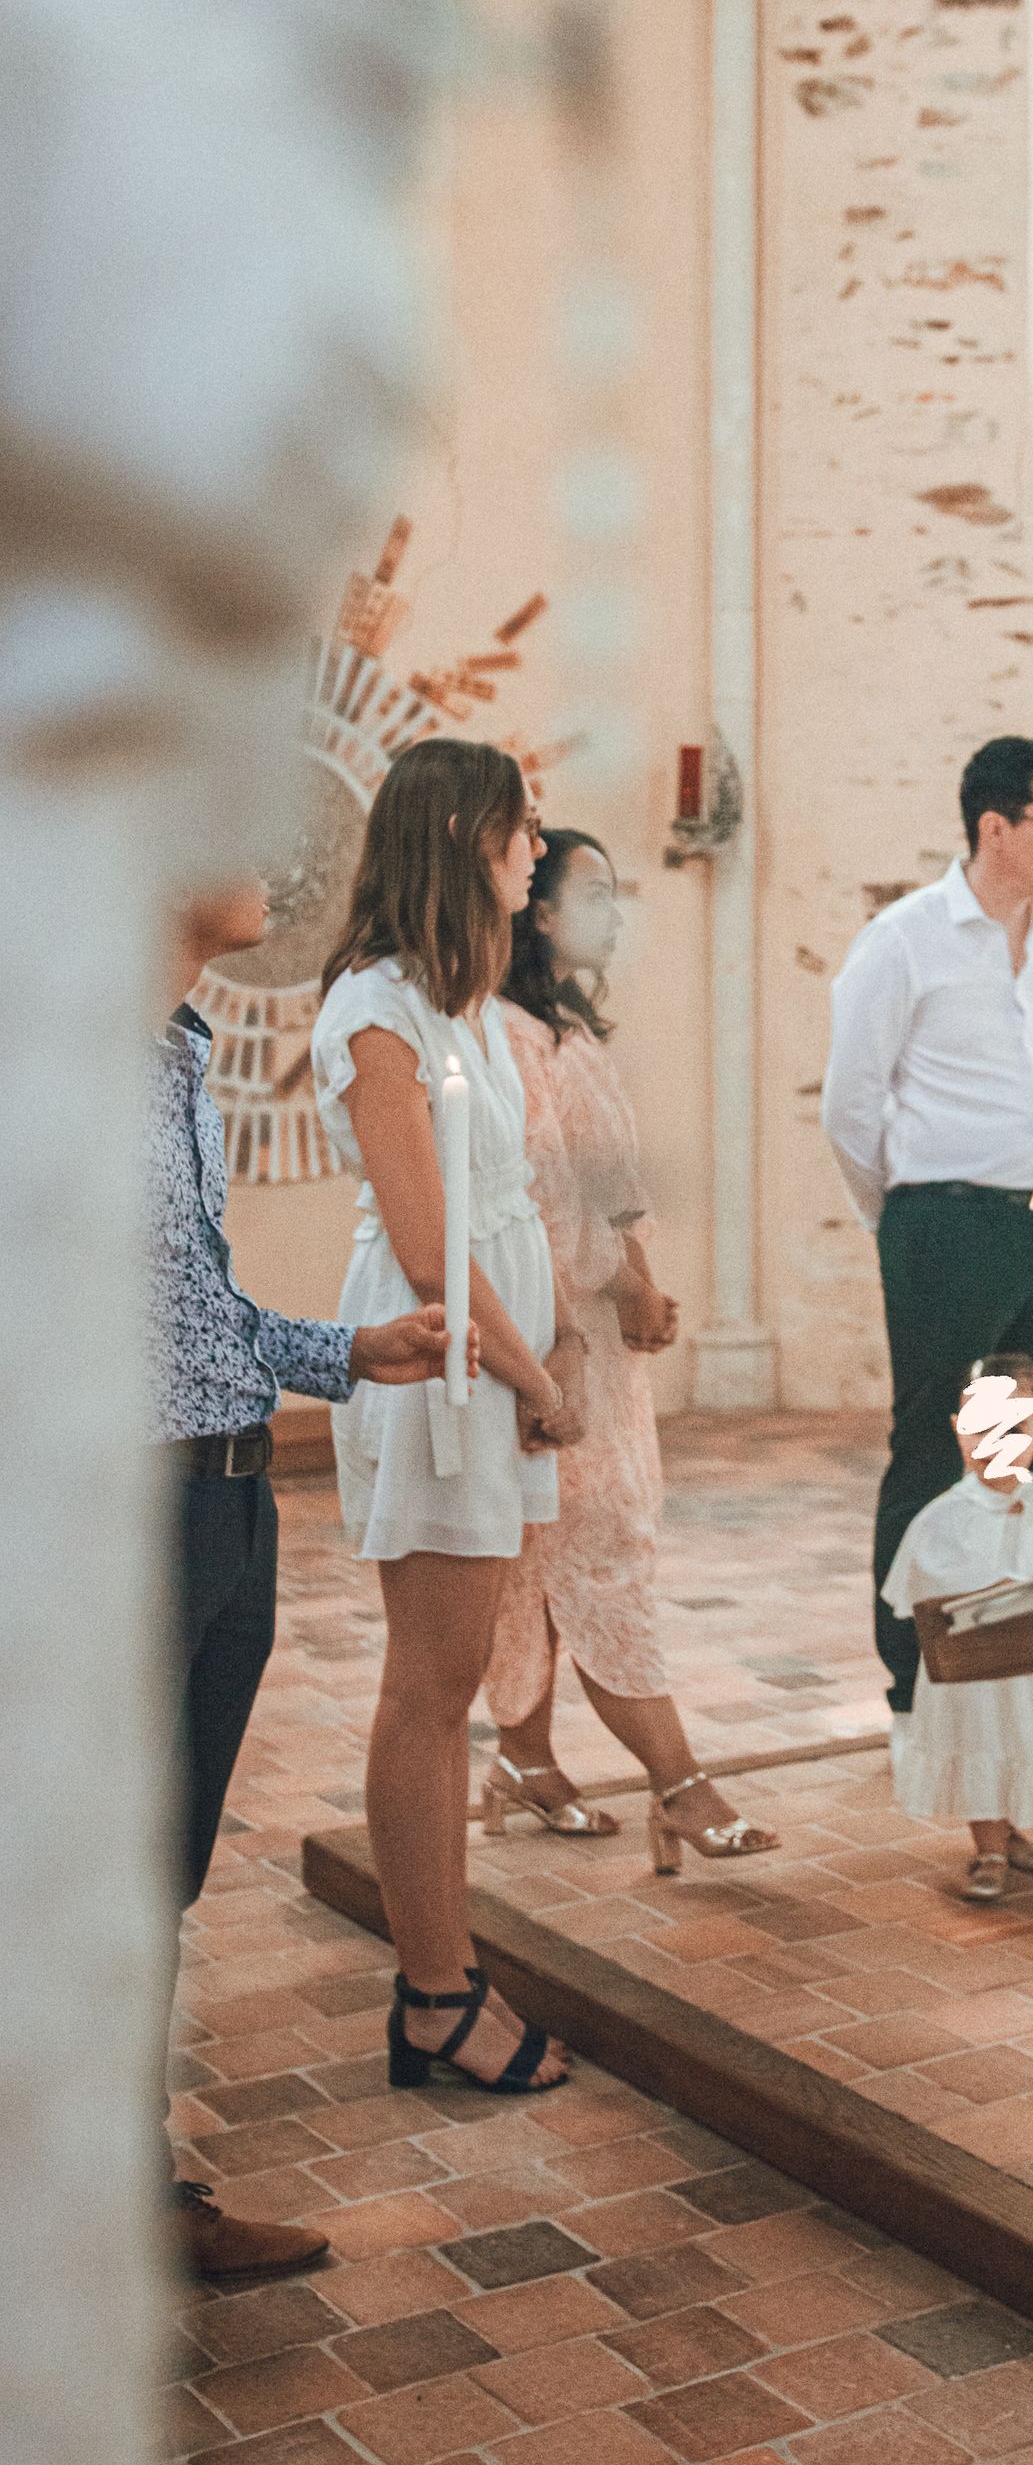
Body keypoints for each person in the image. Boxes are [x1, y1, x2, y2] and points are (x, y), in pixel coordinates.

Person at [151, 876, 458, 2273]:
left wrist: (343, 1353)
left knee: (153, 1872)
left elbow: (188, 1304)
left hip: (224, 1494)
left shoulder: (176, 1045)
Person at [312, 738, 584, 2097]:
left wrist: (550, 1341)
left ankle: (451, 1959)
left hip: (496, 1351)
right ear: (460, 839)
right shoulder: (378, 1010)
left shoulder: (464, 1000)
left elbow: (503, 1209)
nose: (537, 849)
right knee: (429, 1684)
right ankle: (432, 1992)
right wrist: (533, 1377)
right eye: (520, 829)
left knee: (459, 1675)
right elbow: (427, 1245)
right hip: (442, 1361)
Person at [480, 827, 776, 1868]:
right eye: (594, 891)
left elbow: (614, 1182)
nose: (616, 912)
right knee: (597, 1544)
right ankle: (680, 1783)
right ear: (540, 913)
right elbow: (545, 1198)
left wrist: (644, 1289)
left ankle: (522, 1756)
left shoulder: (568, 1029)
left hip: (606, 1329)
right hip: (558, 1325)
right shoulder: (507, 1034)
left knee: (550, 1544)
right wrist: (627, 1283)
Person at [821, 734, 1033, 1723]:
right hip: (948, 1220)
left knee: (1030, 1462)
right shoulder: (904, 938)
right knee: (939, 1459)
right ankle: (919, 1688)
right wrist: (902, 1219)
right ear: (996, 826)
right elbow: (851, 1104)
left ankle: (1017, 1684)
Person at [883, 1355, 1033, 1901]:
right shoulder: (942, 1517)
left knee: (1026, 1736)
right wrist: (1002, 1589)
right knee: (983, 1737)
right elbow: (927, 1591)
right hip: (976, 1663)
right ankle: (988, 1847)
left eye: (1012, 1429)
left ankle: (1012, 1831)